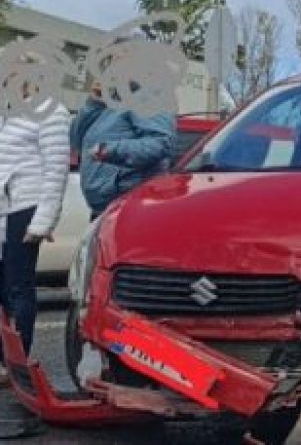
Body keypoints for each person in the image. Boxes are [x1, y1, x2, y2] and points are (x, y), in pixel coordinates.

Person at [0, 75, 70, 438]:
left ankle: (18, 362)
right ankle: (4, 360)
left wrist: (44, 220)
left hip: (26, 206)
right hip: (3, 206)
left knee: (19, 287)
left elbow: (56, 170)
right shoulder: (8, 111)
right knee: (3, 290)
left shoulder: (50, 111)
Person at [72, 82, 177, 220]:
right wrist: (94, 103)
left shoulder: (148, 96)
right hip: (107, 208)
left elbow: (161, 143)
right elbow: (77, 141)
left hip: (132, 206)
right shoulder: (112, 102)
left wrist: (110, 150)